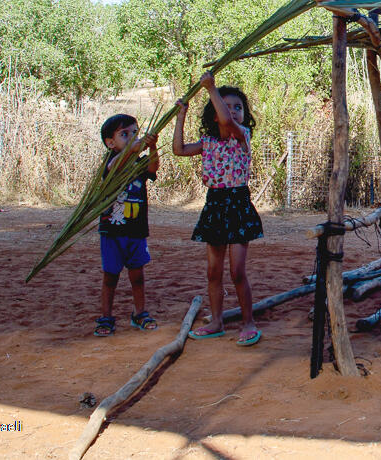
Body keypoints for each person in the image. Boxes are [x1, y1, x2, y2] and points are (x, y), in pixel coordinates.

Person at [173, 72, 264, 347]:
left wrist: (211, 88)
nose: (233, 112)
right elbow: (178, 149)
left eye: (238, 107)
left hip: (237, 203)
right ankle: (216, 321)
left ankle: (248, 322)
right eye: (227, 107)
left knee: (237, 271)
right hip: (214, 205)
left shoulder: (241, 136)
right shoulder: (208, 142)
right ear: (214, 115)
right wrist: (181, 115)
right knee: (213, 272)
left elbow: (227, 122)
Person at [94, 114, 160, 337]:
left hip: (136, 230)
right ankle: (106, 317)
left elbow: (153, 169)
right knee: (110, 276)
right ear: (110, 143)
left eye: (135, 133)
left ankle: (139, 313)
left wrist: (152, 147)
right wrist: (132, 148)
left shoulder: (138, 164)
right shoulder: (110, 162)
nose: (132, 138)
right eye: (125, 134)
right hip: (112, 231)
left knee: (137, 275)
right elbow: (114, 166)